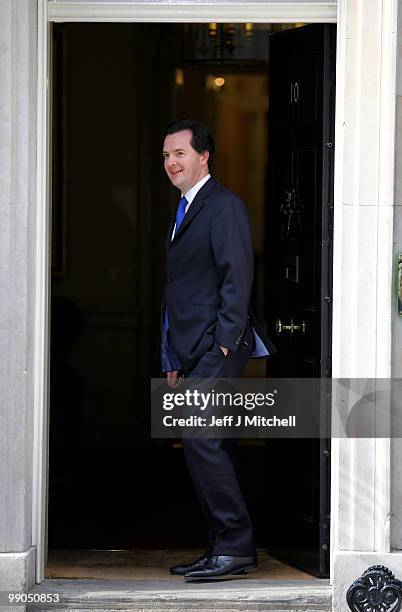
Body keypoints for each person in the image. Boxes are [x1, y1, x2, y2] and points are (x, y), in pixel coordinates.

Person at [160, 118, 276, 580]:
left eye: (180, 154)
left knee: (200, 438)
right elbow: (176, 288)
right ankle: (220, 547)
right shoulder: (184, 209)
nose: (171, 162)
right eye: (166, 155)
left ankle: (235, 545)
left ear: (203, 157)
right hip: (190, 348)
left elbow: (237, 277)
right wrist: (170, 355)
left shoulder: (223, 206)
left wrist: (226, 345)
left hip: (219, 346)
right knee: (212, 444)